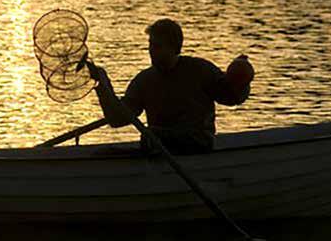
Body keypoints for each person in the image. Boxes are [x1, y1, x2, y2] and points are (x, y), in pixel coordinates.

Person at [88, 19, 253, 155]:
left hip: (197, 145)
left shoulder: (200, 70)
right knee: (102, 153)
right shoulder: (144, 80)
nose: (151, 51)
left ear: (174, 48)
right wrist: (102, 85)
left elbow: (231, 98)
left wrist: (241, 79)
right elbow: (118, 119)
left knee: (152, 134)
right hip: (160, 148)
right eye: (151, 45)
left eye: (158, 46)